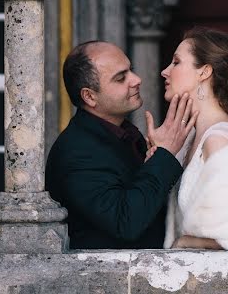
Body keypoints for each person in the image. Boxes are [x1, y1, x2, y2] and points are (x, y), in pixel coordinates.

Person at [45, 41, 198, 249]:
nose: (136, 80)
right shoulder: (77, 152)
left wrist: (155, 159)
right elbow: (125, 222)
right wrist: (165, 155)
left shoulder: (120, 133)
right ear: (89, 96)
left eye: (131, 70)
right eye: (120, 78)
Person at [159, 27, 228, 251]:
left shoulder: (220, 140)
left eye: (176, 62)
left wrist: (181, 244)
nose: (165, 71)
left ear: (204, 72)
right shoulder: (192, 138)